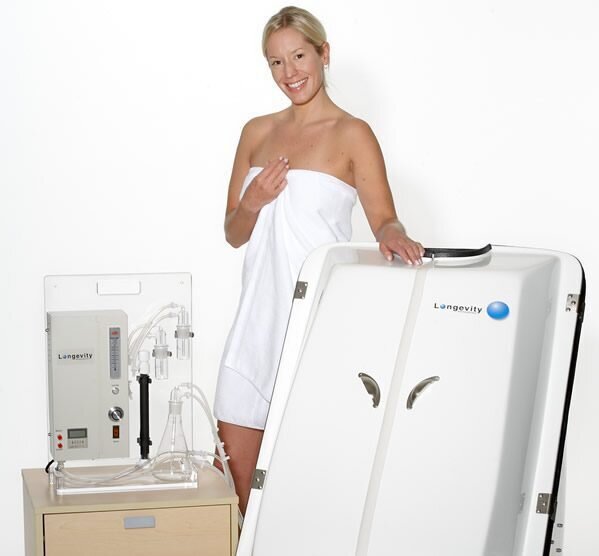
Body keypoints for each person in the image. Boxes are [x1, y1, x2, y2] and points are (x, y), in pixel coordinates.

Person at [213, 5, 424, 516]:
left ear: (323, 53)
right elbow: (233, 233)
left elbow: (384, 219)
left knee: (307, 494)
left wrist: (396, 237)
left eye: (299, 56)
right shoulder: (255, 132)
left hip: (317, 331)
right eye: (276, 62)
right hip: (254, 329)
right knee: (233, 500)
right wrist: (253, 202)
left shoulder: (353, 134)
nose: (289, 73)